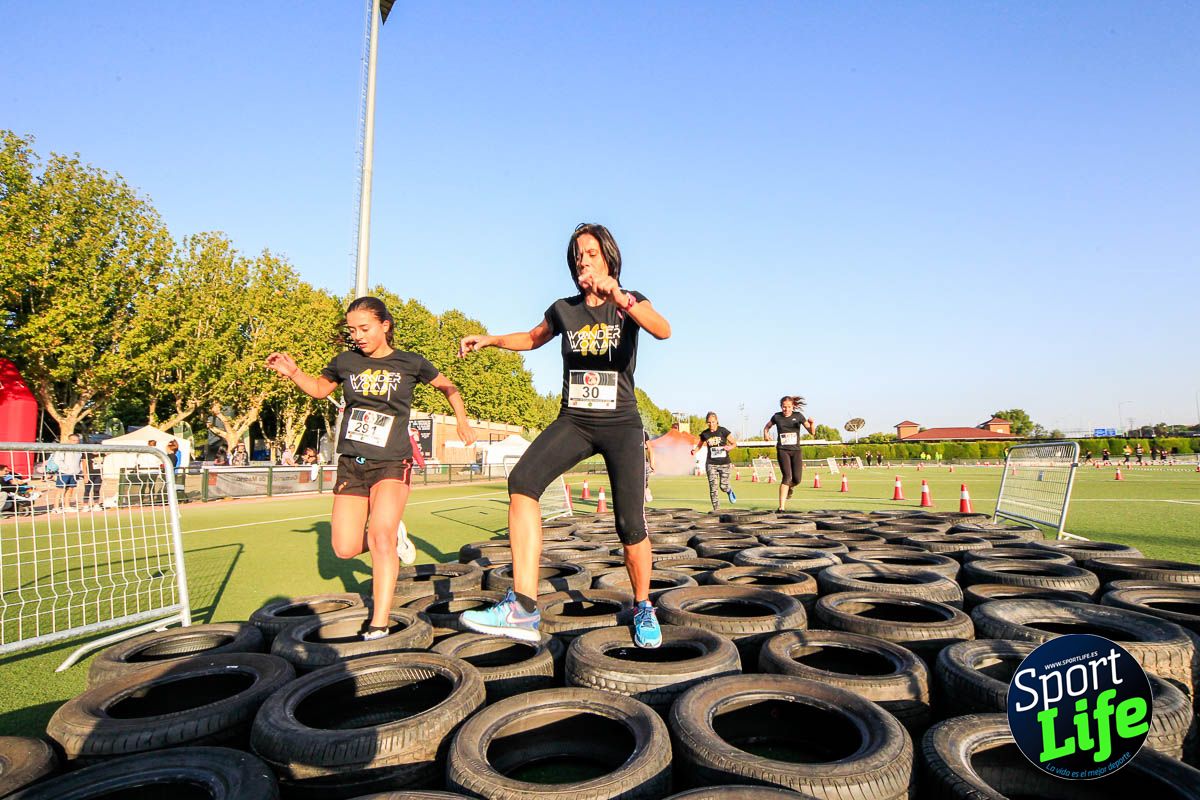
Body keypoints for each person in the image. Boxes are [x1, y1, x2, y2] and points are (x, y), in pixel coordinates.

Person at [457, 223, 672, 648]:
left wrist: (620, 297)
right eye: (577, 254)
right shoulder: (564, 309)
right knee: (522, 482)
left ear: (608, 257)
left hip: (620, 424)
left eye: (590, 252)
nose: (583, 260)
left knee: (630, 524)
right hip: (574, 420)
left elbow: (663, 329)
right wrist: (492, 339)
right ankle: (522, 607)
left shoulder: (629, 303)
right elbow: (533, 338)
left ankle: (643, 604)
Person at [267, 296, 475, 640]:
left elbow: (448, 387)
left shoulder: (410, 363)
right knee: (345, 548)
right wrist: (293, 372)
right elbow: (319, 390)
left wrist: (462, 421)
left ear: (385, 325)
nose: (358, 335)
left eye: (364, 328)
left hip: (392, 461)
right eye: (352, 330)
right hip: (352, 463)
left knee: (379, 537)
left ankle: (379, 623)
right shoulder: (345, 361)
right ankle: (395, 534)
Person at [763, 396, 815, 512]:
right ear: (781, 406)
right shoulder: (777, 416)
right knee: (787, 476)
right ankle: (781, 507)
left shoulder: (799, 416)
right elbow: (767, 426)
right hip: (782, 450)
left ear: (793, 407)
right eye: (784, 407)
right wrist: (765, 434)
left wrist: (812, 424)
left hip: (796, 451)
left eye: (789, 407)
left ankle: (790, 487)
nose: (786, 409)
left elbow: (811, 432)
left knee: (797, 479)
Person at [692, 412, 736, 511]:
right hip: (711, 464)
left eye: (713, 422)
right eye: (709, 422)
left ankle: (729, 490)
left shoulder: (723, 431)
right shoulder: (705, 434)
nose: (711, 424)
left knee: (723, 486)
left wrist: (730, 447)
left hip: (724, 463)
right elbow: (699, 445)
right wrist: (694, 451)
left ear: (717, 421)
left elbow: (734, 443)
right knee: (713, 488)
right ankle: (717, 510)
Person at [54, 433, 85, 513]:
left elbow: (80, 461)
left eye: (77, 441)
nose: (76, 442)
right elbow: (57, 460)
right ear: (69, 440)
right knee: (60, 490)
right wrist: (65, 467)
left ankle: (67, 506)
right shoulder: (63, 449)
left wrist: (79, 470)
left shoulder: (79, 450)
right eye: (74, 440)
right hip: (64, 472)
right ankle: (56, 507)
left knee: (70, 489)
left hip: (74, 473)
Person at [643, 430, 656, 504]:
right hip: (631, 462)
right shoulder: (626, 433)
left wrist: (652, 464)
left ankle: (646, 489)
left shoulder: (643, 433)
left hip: (643, 462)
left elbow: (650, 449)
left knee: (644, 480)